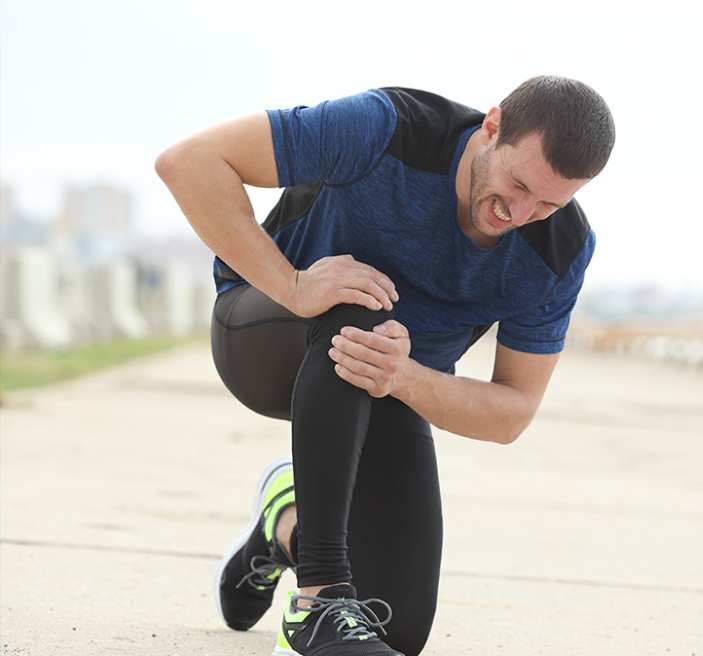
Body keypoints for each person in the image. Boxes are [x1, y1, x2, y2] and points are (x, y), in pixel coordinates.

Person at [155, 76, 615, 656]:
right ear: (492, 126)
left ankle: (284, 526)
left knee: (394, 630)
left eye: (549, 201)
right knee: (365, 310)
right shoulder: (387, 127)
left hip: (384, 383)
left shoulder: (560, 251)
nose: (519, 212)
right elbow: (189, 162)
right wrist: (295, 286)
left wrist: (406, 377)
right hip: (265, 338)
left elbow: (512, 412)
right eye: (517, 182)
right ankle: (318, 601)